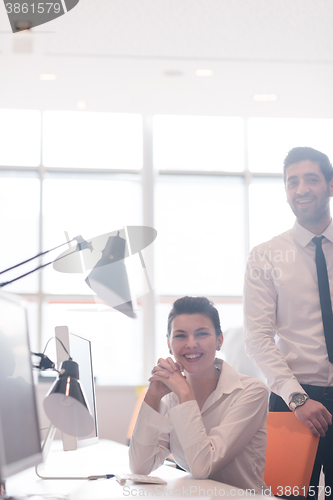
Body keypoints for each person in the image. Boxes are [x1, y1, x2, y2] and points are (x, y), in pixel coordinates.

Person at [244, 146, 333, 498]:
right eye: (292, 182)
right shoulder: (265, 256)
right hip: (293, 402)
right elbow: (258, 337)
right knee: (289, 496)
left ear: (329, 185)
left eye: (311, 179)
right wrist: (297, 398)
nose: (301, 189)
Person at [129, 296, 269, 494]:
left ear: (219, 340)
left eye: (202, 334)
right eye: (181, 336)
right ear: (169, 343)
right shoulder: (170, 396)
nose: (191, 344)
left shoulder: (251, 392)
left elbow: (203, 467)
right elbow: (139, 468)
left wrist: (185, 394)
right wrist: (152, 397)